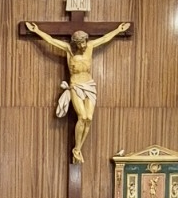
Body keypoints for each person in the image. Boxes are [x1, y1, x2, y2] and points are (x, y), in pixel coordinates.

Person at [24, 20, 131, 163]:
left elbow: (105, 38)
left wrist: (118, 30)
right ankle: (77, 149)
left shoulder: (90, 47)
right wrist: (36, 31)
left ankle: (77, 148)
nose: (82, 45)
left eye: (84, 42)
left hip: (89, 85)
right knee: (82, 117)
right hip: (75, 86)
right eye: (79, 43)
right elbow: (50, 40)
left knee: (89, 118)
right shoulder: (68, 50)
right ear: (75, 43)